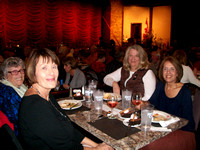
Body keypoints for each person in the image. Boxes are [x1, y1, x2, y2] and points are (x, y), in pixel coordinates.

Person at [18, 48, 113, 150]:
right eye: (44, 68)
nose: (51, 72)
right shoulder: (35, 107)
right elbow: (66, 148)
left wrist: (96, 145)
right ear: (33, 73)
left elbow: (69, 130)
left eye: (54, 67)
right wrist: (97, 149)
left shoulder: (46, 95)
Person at [148, 56, 195, 132]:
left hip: (180, 130)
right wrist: (141, 104)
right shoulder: (161, 85)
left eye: (172, 69)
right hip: (162, 128)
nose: (168, 72)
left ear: (177, 72)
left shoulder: (184, 92)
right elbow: (151, 103)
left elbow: (187, 121)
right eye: (165, 69)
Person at [0, 57, 27, 135]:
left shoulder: (20, 86)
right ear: (5, 75)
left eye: (21, 70)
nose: (19, 74)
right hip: (21, 133)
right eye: (14, 72)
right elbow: (19, 118)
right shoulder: (7, 92)